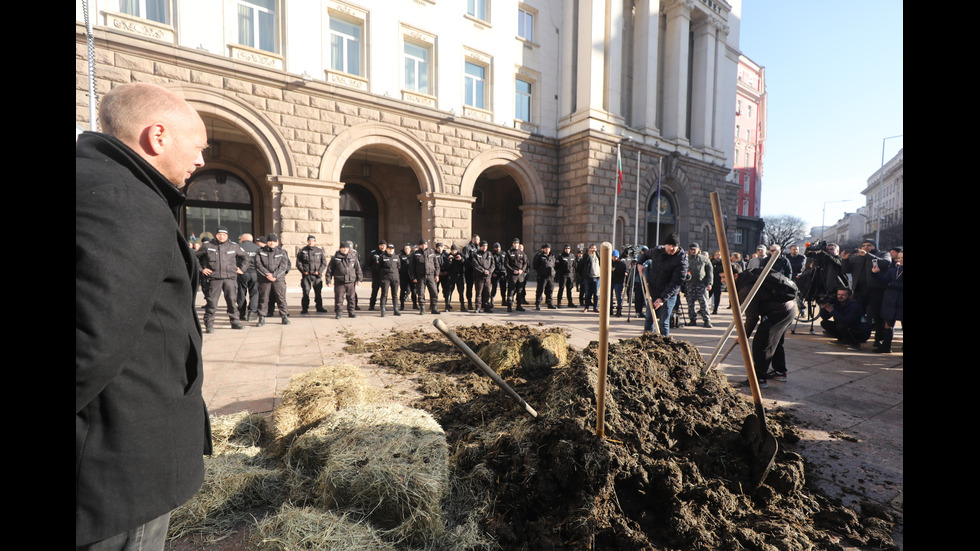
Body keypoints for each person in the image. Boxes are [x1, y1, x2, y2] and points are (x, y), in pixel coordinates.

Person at [76, 82, 212, 549]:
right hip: (118, 462)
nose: (201, 161)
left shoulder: (95, 183)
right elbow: (91, 343)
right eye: (198, 147)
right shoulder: (124, 201)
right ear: (157, 136)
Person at [736, 268, 799, 388]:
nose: (723, 281)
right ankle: (780, 372)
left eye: (724, 277)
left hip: (779, 313)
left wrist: (743, 336)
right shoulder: (749, 277)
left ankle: (759, 380)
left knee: (762, 344)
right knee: (775, 342)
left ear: (734, 276)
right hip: (788, 309)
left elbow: (752, 317)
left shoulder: (746, 289)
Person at [841, 239, 891, 350]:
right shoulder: (857, 257)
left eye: (869, 245)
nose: (866, 247)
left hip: (876, 290)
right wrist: (844, 260)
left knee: (877, 316)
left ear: (874, 246)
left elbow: (886, 263)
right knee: (858, 315)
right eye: (863, 245)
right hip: (859, 291)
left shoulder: (883, 254)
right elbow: (846, 270)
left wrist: (868, 255)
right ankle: (857, 339)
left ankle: (878, 339)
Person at [197, 226, 248, 332]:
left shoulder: (233, 246)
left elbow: (246, 257)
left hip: (230, 278)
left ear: (227, 236)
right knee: (212, 303)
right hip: (214, 279)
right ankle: (209, 325)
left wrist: (242, 269)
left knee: (232, 302)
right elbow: (194, 257)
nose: (222, 236)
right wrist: (201, 269)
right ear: (216, 235)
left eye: (224, 234)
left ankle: (235, 322)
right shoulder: (208, 246)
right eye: (220, 234)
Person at [642, 233, 688, 335]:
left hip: (669, 294)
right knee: (649, 319)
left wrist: (662, 299)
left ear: (678, 246)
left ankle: (664, 344)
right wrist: (640, 263)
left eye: (674, 246)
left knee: (664, 322)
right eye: (669, 245)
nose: (671, 248)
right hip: (653, 290)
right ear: (665, 245)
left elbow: (676, 282)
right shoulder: (657, 251)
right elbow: (645, 254)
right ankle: (647, 342)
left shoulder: (682, 260)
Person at [255, 233, 291, 326]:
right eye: (270, 241)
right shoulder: (260, 251)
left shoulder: (282, 252)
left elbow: (284, 266)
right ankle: (262, 317)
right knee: (263, 298)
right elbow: (258, 265)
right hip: (264, 279)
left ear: (277, 242)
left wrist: (274, 275)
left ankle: (284, 316)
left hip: (278, 279)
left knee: (281, 298)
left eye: (274, 241)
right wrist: (267, 274)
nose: (272, 243)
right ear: (267, 242)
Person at [872, 250, 903, 353]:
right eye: (899, 258)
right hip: (890, 301)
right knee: (888, 324)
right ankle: (886, 346)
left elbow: (890, 283)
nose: (900, 260)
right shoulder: (893, 270)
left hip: (901, 302)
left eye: (902, 258)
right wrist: (876, 273)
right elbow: (884, 281)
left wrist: (892, 284)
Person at [326, 241, 363, 318]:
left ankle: (351, 312)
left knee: (351, 298)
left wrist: (359, 279)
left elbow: (358, 269)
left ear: (348, 249)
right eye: (343, 248)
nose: (344, 250)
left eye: (346, 248)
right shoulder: (335, 258)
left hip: (351, 282)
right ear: (340, 249)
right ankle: (339, 313)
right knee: (339, 298)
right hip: (340, 282)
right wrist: (328, 280)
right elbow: (329, 270)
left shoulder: (353, 258)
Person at [297, 235, 328, 314]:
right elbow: (298, 263)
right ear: (307, 241)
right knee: (306, 292)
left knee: (318, 292)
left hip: (316, 275)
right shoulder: (302, 250)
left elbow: (324, 263)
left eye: (313, 241)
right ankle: (305, 308)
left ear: (315, 241)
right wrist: (303, 271)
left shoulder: (319, 250)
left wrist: (319, 271)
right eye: (309, 241)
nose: (311, 242)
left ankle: (319, 307)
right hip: (306, 275)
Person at [684, 242, 713, 328]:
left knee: (703, 303)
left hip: (701, 284)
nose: (693, 251)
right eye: (691, 249)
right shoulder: (686, 259)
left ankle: (707, 320)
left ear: (698, 249)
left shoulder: (704, 259)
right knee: (690, 303)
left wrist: (709, 283)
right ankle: (692, 319)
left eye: (695, 249)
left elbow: (710, 272)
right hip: (690, 284)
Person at [411, 239, 441, 314]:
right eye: (422, 244)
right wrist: (413, 277)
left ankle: (434, 307)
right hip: (420, 276)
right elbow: (411, 267)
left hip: (431, 275)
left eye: (425, 244)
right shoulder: (415, 254)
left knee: (434, 292)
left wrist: (437, 274)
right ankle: (422, 308)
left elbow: (436, 265)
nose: (424, 245)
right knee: (421, 293)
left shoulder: (431, 252)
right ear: (419, 245)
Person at [237, 233, 261, 321]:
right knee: (255, 293)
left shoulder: (238, 247)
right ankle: (252, 313)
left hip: (241, 272)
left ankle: (241, 313)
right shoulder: (258, 248)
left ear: (242, 239)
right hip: (255, 273)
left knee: (241, 293)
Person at [471, 240, 496, 313]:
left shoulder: (489, 254)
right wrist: (483, 271)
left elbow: (493, 265)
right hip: (479, 277)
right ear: (480, 246)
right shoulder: (476, 254)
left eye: (486, 246)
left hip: (488, 277)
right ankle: (478, 307)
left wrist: (489, 271)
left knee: (487, 292)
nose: (485, 247)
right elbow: (475, 265)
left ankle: (486, 307)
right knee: (479, 292)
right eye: (483, 246)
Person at [504, 238, 528, 312]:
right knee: (511, 291)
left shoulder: (522, 253)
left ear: (518, 244)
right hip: (512, 275)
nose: (516, 244)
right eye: (514, 243)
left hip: (520, 275)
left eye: (517, 243)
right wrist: (512, 270)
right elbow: (506, 264)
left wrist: (522, 270)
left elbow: (525, 263)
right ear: (513, 244)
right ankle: (509, 306)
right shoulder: (509, 253)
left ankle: (519, 306)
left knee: (520, 290)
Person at [378, 243, 401, 316]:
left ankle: (396, 309)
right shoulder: (382, 257)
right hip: (386, 278)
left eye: (392, 249)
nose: (391, 250)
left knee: (395, 294)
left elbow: (399, 267)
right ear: (386, 249)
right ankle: (383, 309)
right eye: (389, 249)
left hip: (395, 277)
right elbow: (378, 268)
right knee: (384, 293)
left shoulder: (396, 257)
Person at [442, 244, 467, 312]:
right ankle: (447, 306)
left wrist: (461, 259)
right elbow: (445, 266)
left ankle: (462, 306)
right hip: (451, 276)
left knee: (461, 292)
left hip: (459, 276)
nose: (454, 252)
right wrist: (449, 261)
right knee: (449, 292)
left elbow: (466, 263)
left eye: (455, 250)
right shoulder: (448, 256)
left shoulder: (460, 255)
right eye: (452, 251)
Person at [533, 243, 557, 310]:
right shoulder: (539, 256)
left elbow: (554, 265)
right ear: (543, 249)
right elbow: (535, 265)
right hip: (542, 276)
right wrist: (541, 271)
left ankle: (550, 303)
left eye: (548, 248)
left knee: (550, 290)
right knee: (540, 290)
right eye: (546, 248)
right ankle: (538, 303)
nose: (547, 249)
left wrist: (553, 273)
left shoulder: (552, 256)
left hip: (550, 276)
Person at [578, 244, 600, 312]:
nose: (593, 250)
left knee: (596, 293)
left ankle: (595, 307)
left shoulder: (598, 256)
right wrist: (588, 253)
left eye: (594, 248)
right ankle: (586, 307)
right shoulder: (586, 255)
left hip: (597, 276)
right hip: (588, 277)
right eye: (591, 248)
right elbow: (584, 261)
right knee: (587, 293)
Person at [462, 234, 481, 311]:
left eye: (478, 239)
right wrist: (473, 266)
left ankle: (479, 303)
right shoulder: (467, 248)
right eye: (476, 239)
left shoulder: (479, 248)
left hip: (478, 271)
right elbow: (465, 259)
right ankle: (469, 303)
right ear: (473, 239)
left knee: (479, 288)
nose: (478, 241)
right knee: (469, 287)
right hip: (470, 271)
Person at [398, 243, 417, 311]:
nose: (406, 250)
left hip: (412, 276)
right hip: (403, 276)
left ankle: (415, 305)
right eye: (405, 249)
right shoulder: (400, 256)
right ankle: (402, 305)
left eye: (408, 249)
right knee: (402, 291)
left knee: (414, 291)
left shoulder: (414, 255)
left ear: (410, 249)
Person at [490, 242, 509, 308]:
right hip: (495, 273)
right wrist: (492, 273)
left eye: (498, 247)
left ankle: (504, 300)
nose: (497, 249)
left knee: (503, 288)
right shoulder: (492, 254)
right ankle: (492, 300)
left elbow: (507, 263)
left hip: (503, 273)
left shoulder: (504, 254)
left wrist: (506, 271)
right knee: (494, 287)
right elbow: (490, 264)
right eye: (496, 247)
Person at [610, 249, 627, 317]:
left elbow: (623, 273)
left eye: (615, 257)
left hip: (618, 282)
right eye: (613, 256)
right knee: (610, 296)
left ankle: (619, 309)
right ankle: (610, 309)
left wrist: (615, 270)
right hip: (611, 281)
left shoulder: (621, 264)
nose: (614, 258)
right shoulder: (610, 262)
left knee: (618, 296)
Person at [710, 251, 725, 315]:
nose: (717, 256)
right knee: (707, 295)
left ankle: (715, 309)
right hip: (711, 281)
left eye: (719, 255)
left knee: (717, 296)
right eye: (716, 255)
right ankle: (702, 308)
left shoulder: (723, 263)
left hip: (719, 282)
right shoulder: (711, 262)